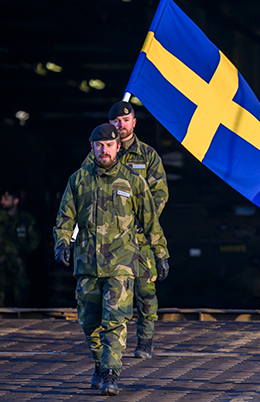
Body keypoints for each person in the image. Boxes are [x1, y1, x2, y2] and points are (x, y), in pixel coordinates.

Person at [53, 123, 170, 396]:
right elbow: (65, 217)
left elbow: (150, 222)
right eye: (99, 145)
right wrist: (62, 243)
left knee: (115, 321)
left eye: (109, 145)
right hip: (87, 263)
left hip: (121, 264)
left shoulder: (133, 181)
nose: (104, 150)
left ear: (118, 146)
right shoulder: (78, 180)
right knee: (89, 322)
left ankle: (110, 374)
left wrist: (161, 253)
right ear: (91, 147)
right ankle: (99, 363)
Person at [83, 101, 170, 359]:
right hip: (107, 240)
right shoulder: (101, 152)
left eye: (126, 120)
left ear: (134, 122)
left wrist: (141, 221)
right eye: (116, 121)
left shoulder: (148, 155)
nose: (121, 125)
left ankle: (145, 340)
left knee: (145, 291)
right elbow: (84, 187)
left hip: (140, 238)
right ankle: (107, 346)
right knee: (105, 295)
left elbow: (160, 194)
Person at [0, 189, 40, 307]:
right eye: (2, 199)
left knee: (20, 294)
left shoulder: (25, 219)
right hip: (1, 263)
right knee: (1, 294)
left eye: (7, 199)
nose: (3, 201)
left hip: (19, 264)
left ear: (16, 201)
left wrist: (23, 251)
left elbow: (35, 239)